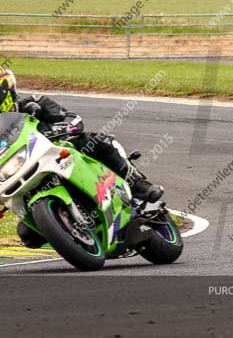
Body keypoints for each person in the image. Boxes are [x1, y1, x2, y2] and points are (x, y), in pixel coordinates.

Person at [0, 67, 164, 247]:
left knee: (92, 140)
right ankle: (68, 231)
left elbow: (73, 118)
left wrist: (65, 127)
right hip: (26, 173)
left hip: (62, 153)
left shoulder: (34, 103)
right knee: (28, 236)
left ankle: (136, 183)